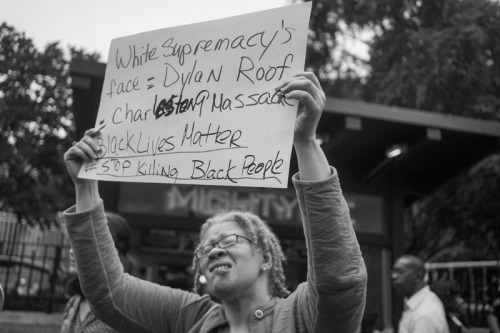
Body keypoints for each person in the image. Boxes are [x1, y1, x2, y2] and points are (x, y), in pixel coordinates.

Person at [62, 72, 367, 333]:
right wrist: (86, 186)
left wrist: (305, 141)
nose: (214, 250)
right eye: (205, 248)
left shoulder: (301, 315)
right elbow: (110, 293)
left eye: (229, 239)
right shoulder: (193, 317)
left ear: (266, 258)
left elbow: (340, 279)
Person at [61, 211, 132, 333]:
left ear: (113, 252)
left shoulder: (129, 308)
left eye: (83, 244)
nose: (72, 251)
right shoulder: (74, 302)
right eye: (74, 243)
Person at [391, 255, 449, 333]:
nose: (393, 276)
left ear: (417, 276)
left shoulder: (425, 313)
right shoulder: (417, 303)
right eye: (393, 272)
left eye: (400, 272)